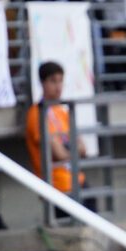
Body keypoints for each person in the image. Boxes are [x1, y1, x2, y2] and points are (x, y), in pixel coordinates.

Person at [25, 61, 92, 218]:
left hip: (78, 180)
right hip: (58, 187)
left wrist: (67, 150)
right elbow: (58, 154)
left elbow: (83, 148)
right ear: (42, 83)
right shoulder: (36, 114)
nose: (58, 86)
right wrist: (71, 150)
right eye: (53, 81)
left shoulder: (63, 111)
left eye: (61, 81)